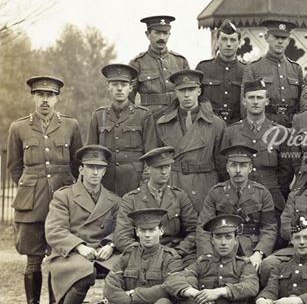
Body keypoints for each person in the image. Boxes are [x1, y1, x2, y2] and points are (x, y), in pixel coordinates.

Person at [7, 75, 83, 304]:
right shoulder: (18, 128)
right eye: (40, 95)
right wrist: (31, 187)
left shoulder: (71, 126)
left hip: (61, 203)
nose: (45, 100)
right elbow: (15, 167)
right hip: (31, 204)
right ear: (33, 97)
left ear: (57, 98)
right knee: (33, 261)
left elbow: (76, 164)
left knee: (59, 260)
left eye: (50, 95)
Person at [89, 208, 184, 304]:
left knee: (164, 303)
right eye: (143, 230)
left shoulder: (171, 258)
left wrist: (134, 295)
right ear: (137, 232)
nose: (147, 235)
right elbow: (110, 288)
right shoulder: (128, 254)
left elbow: (167, 290)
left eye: (152, 230)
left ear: (161, 231)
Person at [164, 214, 259, 304]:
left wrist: (220, 291)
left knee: (223, 298)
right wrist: (196, 293)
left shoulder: (243, 264)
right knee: (186, 293)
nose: (223, 242)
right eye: (218, 237)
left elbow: (252, 286)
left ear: (235, 240)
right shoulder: (202, 263)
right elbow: (172, 279)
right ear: (211, 240)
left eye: (228, 237)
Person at [44, 145, 120, 304]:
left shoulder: (114, 200)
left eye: (99, 168)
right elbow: (54, 230)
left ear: (104, 172)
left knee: (126, 270)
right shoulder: (64, 196)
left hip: (104, 253)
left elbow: (122, 228)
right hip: (71, 253)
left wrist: (111, 245)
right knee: (85, 272)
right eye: (90, 167)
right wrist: (80, 247)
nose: (95, 172)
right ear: (81, 169)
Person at [197, 145, 278, 270]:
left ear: (250, 168)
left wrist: (259, 253)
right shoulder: (216, 192)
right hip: (221, 249)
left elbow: (269, 228)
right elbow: (203, 228)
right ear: (227, 168)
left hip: (251, 250)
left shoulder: (262, 193)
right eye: (233, 165)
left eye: (243, 165)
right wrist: (208, 254)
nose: (238, 170)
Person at [114, 146, 199, 265]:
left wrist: (179, 251)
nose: (164, 172)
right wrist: (145, 254)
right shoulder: (131, 199)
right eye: (159, 167)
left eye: (167, 167)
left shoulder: (179, 196)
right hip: (142, 255)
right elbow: (122, 237)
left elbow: (194, 230)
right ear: (148, 169)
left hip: (175, 253)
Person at [154, 69, 225, 211]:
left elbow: (222, 164)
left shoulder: (216, 124)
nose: (187, 95)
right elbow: (154, 162)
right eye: (182, 90)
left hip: (204, 185)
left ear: (199, 91)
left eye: (191, 89)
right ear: (176, 92)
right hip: (173, 184)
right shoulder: (162, 123)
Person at [221, 79, 295, 210]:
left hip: (271, 197)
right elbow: (222, 166)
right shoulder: (231, 132)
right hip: (238, 198)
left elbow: (286, 171)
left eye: (259, 97)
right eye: (251, 98)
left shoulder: (279, 132)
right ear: (244, 101)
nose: (255, 102)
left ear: (266, 101)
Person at [88, 63, 157, 196]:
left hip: (135, 182)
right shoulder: (98, 116)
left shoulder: (143, 115)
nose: (119, 89)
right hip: (105, 182)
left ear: (130, 88)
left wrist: (146, 183)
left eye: (124, 84)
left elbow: (151, 155)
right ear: (108, 87)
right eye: (114, 84)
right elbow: (91, 154)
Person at [241, 20, 304, 127]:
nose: (280, 41)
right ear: (266, 37)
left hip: (291, 126)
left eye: (283, 38)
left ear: (288, 40)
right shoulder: (253, 68)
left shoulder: (296, 69)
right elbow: (245, 106)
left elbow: (302, 103)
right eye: (276, 37)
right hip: (264, 126)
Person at [129, 15, 190, 116]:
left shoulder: (180, 61)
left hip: (177, 119)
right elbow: (129, 100)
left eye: (165, 33)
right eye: (157, 33)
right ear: (147, 34)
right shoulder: (137, 63)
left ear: (169, 34)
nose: (162, 37)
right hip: (150, 120)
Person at [196, 19, 245, 124]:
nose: (228, 44)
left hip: (236, 127)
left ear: (239, 43)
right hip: (209, 126)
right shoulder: (203, 68)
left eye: (232, 40)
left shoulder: (246, 70)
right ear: (217, 40)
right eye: (224, 39)